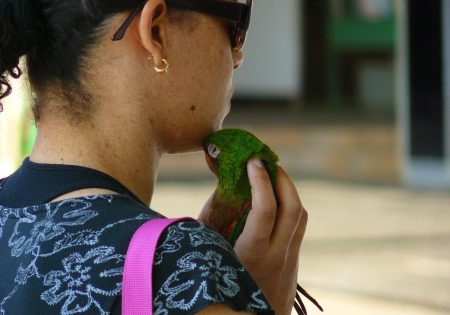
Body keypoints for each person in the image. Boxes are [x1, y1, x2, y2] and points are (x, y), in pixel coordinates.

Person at [0, 0, 308, 314]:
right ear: (155, 32)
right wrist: (253, 294)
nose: (239, 56)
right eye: (237, 28)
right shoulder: (178, 270)